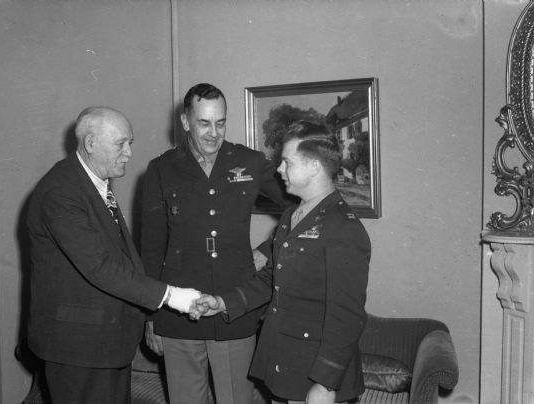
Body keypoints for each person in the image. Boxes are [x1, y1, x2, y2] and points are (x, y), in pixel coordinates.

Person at [26, 106, 201, 404]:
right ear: (91, 143)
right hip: (79, 348)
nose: (129, 153)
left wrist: (149, 317)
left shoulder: (93, 183)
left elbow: (125, 259)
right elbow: (101, 267)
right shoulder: (61, 192)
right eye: (121, 144)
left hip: (105, 343)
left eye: (129, 143)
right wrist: (174, 297)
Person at [196, 120, 371, 404]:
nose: (279, 169)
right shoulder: (292, 216)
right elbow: (271, 281)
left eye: (287, 162)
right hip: (287, 367)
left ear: (314, 166)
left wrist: (326, 383)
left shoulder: (344, 228)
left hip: (317, 377)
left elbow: (347, 317)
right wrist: (224, 302)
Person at [141, 83, 288, 404]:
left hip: (233, 307)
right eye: (203, 123)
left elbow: (301, 207)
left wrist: (267, 251)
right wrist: (151, 316)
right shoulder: (161, 169)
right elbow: (151, 249)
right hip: (179, 311)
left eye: (220, 123)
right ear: (184, 122)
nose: (213, 133)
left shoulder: (250, 163)